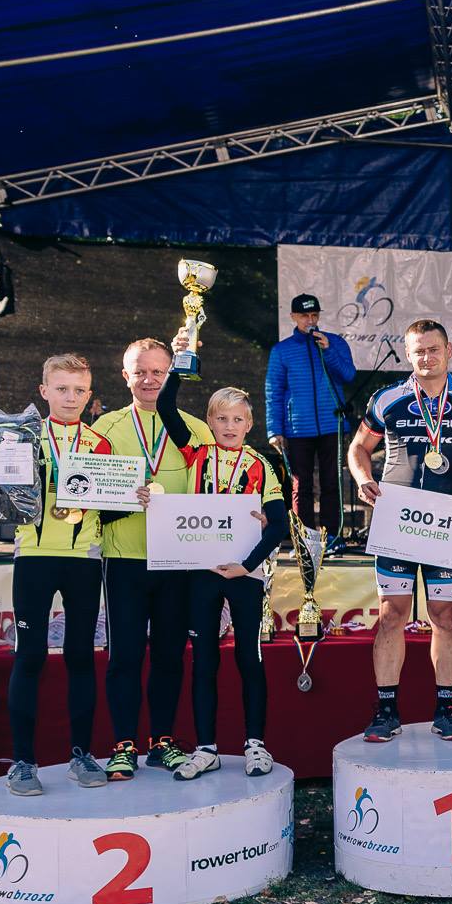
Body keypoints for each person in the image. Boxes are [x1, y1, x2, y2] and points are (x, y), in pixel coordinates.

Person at [0, 354, 111, 795]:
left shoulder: (101, 444)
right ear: (44, 391)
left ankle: (81, 755)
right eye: (62, 389)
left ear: (89, 395)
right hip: (33, 556)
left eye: (79, 390)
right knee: (30, 656)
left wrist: (136, 493)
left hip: (84, 558)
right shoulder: (19, 438)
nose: (71, 397)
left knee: (80, 656)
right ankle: (23, 762)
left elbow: (112, 503)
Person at [350, 320, 452, 743]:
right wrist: (362, 479)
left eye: (433, 349)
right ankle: (386, 710)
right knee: (392, 613)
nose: (426, 357)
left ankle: (446, 709)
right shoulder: (387, 398)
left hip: (447, 522)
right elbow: (358, 447)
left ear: (449, 350)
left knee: (444, 615)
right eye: (418, 351)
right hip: (398, 520)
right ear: (407, 354)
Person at [93, 338, 212, 781]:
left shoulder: (195, 429)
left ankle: (162, 741)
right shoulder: (104, 427)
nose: (149, 380)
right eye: (140, 372)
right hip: (124, 558)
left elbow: (213, 492)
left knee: (169, 656)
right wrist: (126, 498)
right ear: (126, 376)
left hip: (178, 562)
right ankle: (123, 745)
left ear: (171, 375)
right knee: (124, 656)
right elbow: (88, 497)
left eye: (159, 372)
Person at [161, 384, 291, 780]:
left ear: (249, 424)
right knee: (204, 661)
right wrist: (183, 360)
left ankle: (256, 744)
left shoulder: (260, 465)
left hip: (243, 574)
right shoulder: (196, 453)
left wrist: (247, 565)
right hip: (201, 572)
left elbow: (279, 524)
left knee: (249, 658)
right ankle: (206, 748)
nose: (229, 426)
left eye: (237, 419)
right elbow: (166, 405)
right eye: (221, 418)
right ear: (209, 422)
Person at [265, 293, 356, 541]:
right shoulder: (282, 351)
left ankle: (331, 537)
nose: (310, 320)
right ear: (293, 317)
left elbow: (348, 375)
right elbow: (273, 391)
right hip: (297, 428)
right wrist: (274, 429)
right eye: (304, 315)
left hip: (332, 425)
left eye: (314, 315)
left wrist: (328, 351)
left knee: (332, 483)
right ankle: (305, 539)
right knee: (300, 485)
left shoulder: (335, 343)